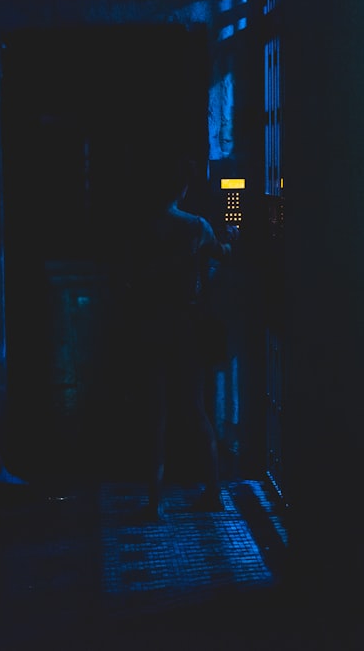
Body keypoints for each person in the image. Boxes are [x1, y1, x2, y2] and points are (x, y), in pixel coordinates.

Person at [125, 160, 237, 521]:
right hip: (186, 327)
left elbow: (130, 276)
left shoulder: (141, 228)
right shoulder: (196, 227)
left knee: (155, 414)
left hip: (149, 326)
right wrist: (233, 238)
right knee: (195, 409)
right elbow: (222, 253)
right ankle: (214, 491)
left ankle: (155, 502)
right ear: (183, 190)